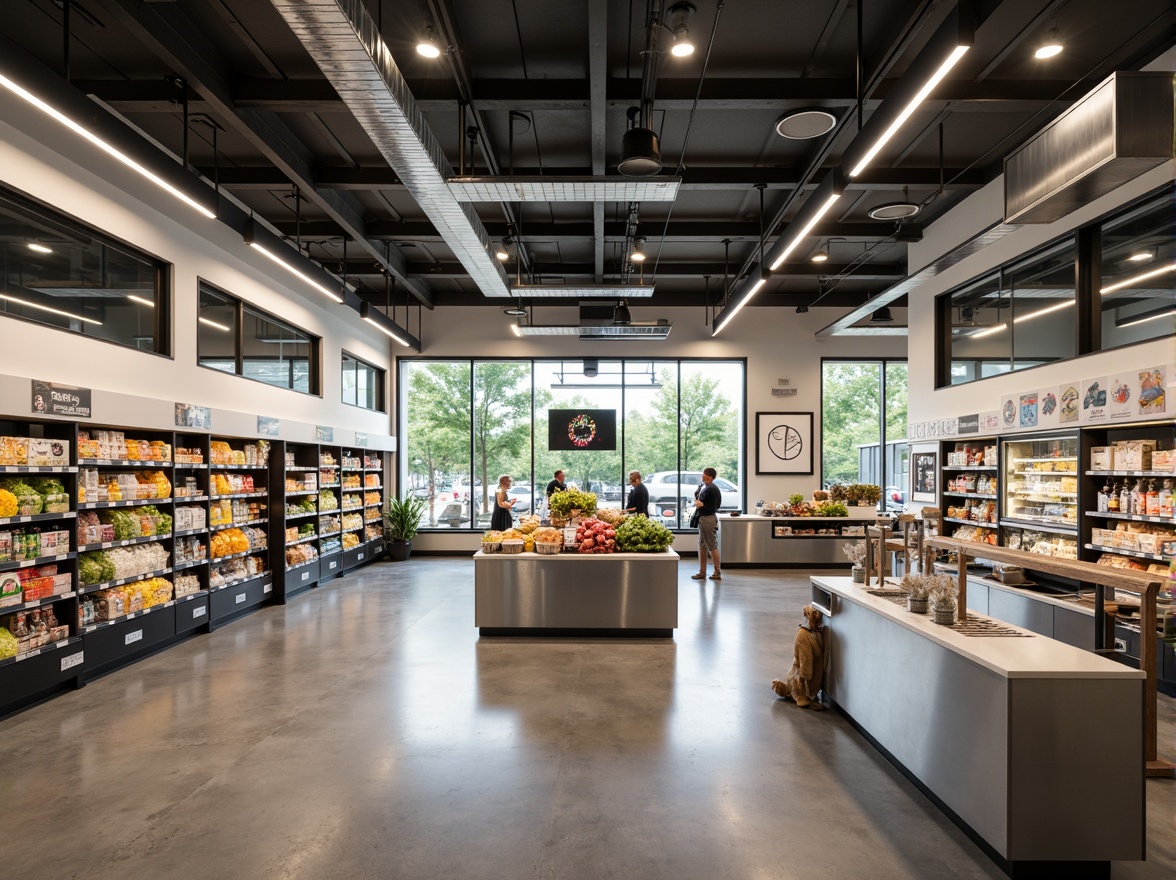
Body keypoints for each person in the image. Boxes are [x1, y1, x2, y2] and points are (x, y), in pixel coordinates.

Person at [691, 467, 722, 580]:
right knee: (702, 545)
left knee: (711, 545)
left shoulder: (711, 489)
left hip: (708, 519)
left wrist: (701, 505)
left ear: (709, 476)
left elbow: (714, 507)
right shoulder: (705, 487)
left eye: (703, 474)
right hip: (704, 519)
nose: (702, 475)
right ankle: (702, 572)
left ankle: (717, 571)